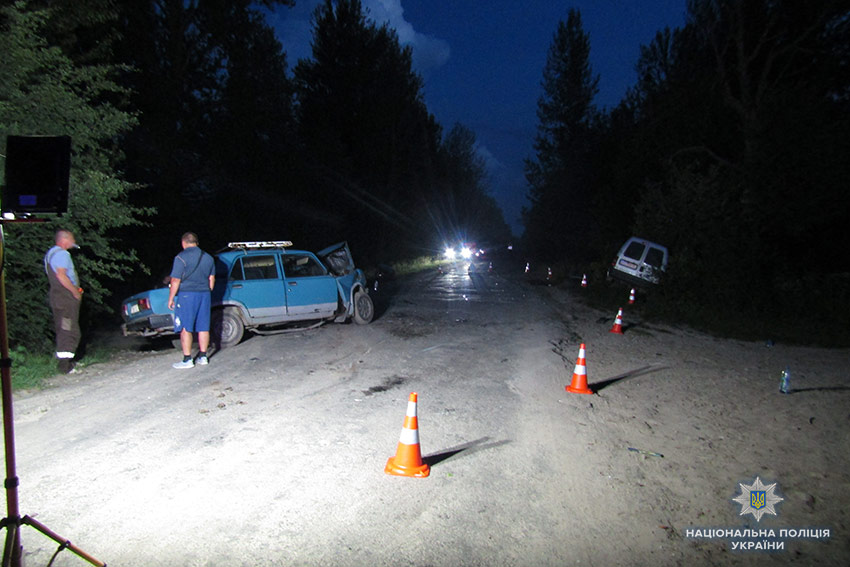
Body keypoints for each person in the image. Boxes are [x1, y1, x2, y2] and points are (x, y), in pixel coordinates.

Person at [167, 232, 215, 369]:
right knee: (203, 326)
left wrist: (171, 298)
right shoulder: (208, 258)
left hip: (187, 295)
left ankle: (187, 359)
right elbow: (211, 279)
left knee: (185, 326)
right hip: (205, 294)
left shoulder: (180, 258)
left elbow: (175, 280)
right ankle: (203, 356)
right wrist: (207, 291)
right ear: (196, 242)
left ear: (183, 243)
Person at [44, 230, 82, 374]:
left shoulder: (50, 254)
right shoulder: (62, 254)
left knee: (64, 328)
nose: (74, 242)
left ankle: (67, 362)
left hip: (57, 297)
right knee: (69, 330)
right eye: (72, 239)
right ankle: (65, 366)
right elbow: (61, 276)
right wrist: (74, 292)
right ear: (64, 239)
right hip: (65, 298)